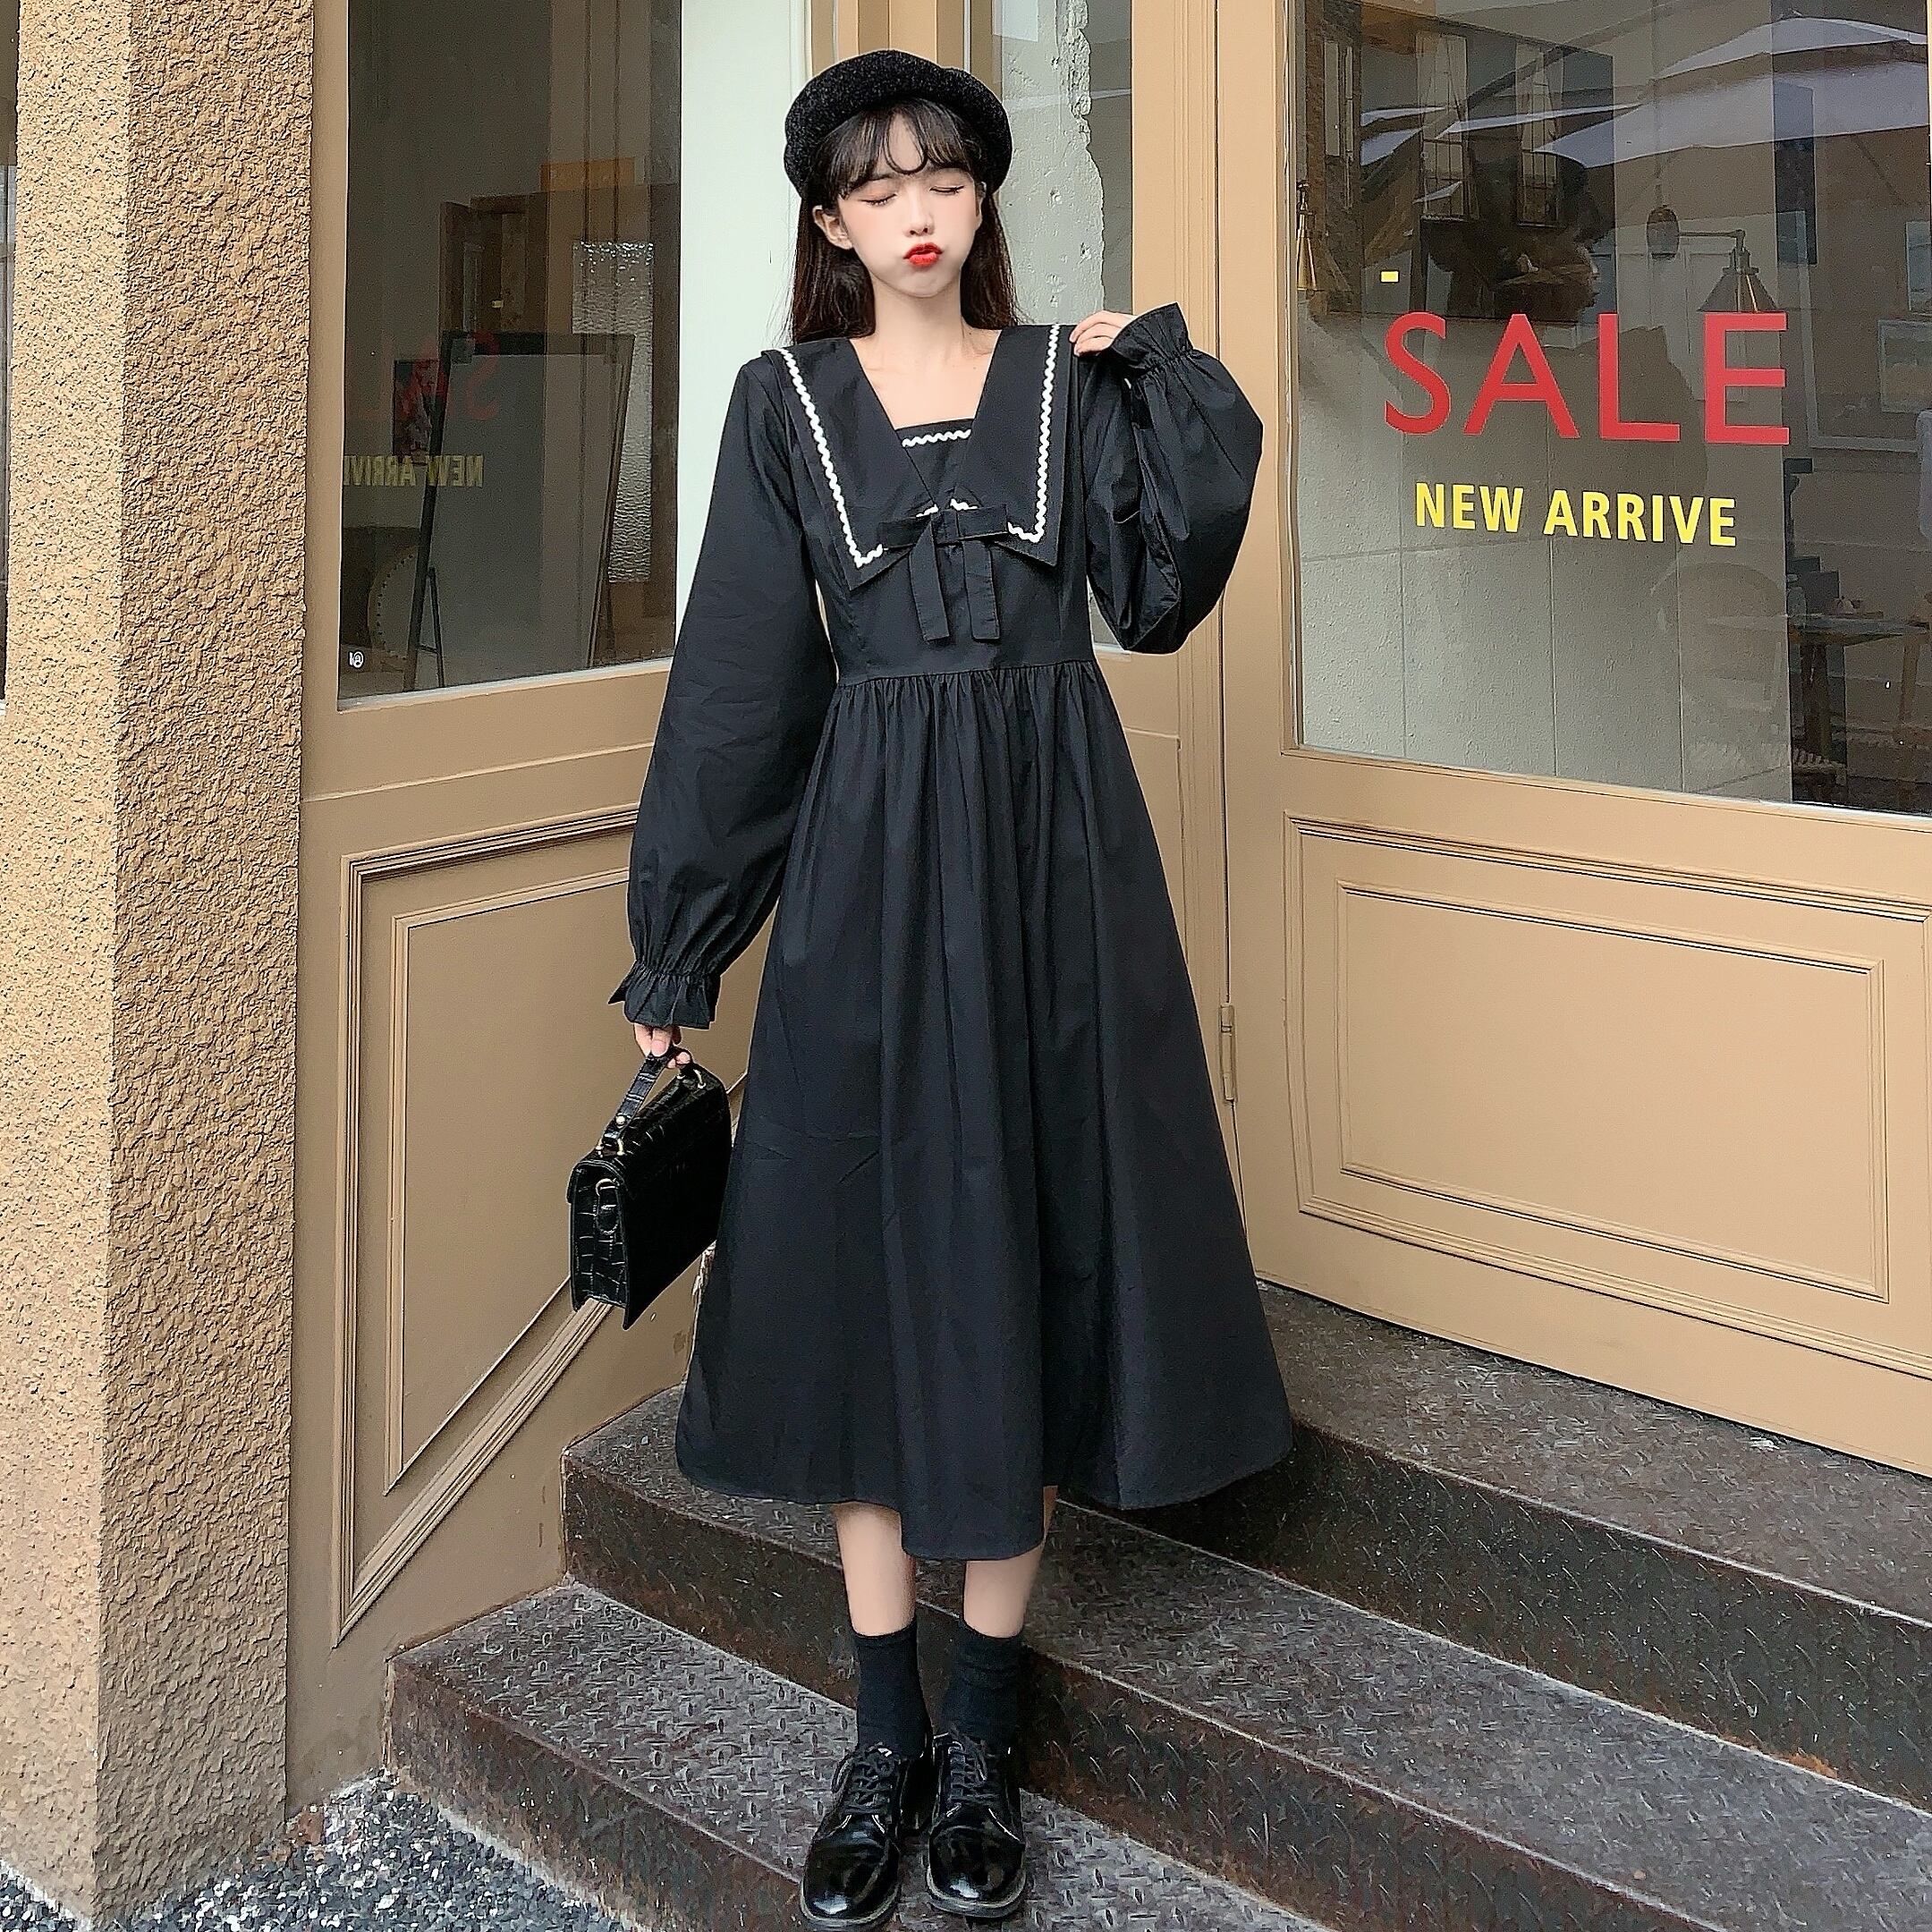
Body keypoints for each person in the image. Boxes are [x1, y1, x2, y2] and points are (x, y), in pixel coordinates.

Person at [606, 47, 1294, 1928]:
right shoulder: (785, 404)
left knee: (1038, 1249)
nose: (914, 211)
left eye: (944, 178)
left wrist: (1159, 367)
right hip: (866, 880)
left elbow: (1160, 595)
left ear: (984, 198)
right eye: (875, 186)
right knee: (855, 1262)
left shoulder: (1066, 385)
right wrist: (682, 944)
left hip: (1059, 873)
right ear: (831, 222)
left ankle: (984, 1730)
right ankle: (885, 1731)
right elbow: (741, 683)